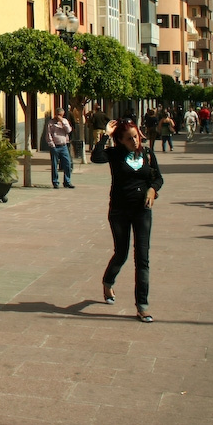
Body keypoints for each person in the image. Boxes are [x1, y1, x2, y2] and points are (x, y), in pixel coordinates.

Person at [92, 118, 163, 323]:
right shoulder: (115, 154)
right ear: (121, 140)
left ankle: (142, 306)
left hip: (142, 211)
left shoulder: (147, 153)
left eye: (136, 136)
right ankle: (108, 281)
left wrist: (152, 190)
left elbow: (158, 178)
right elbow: (97, 157)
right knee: (121, 253)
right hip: (119, 211)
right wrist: (106, 135)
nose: (135, 141)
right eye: (129, 138)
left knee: (142, 258)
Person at [45, 107, 75, 189]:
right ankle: (55, 182)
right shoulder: (51, 123)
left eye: (61, 115)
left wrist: (63, 122)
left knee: (67, 163)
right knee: (55, 165)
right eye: (58, 115)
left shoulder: (64, 121)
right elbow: (48, 134)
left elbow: (69, 130)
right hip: (55, 146)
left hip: (63, 146)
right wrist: (52, 145)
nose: (59, 116)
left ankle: (67, 181)